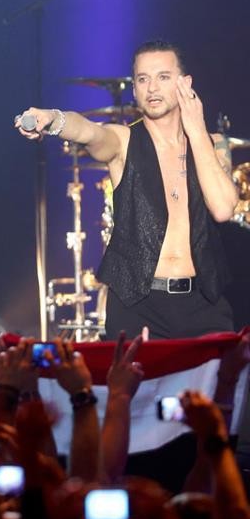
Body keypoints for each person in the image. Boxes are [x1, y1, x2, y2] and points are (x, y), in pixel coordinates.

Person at [15, 39, 238, 340]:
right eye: (142, 79)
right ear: (134, 89)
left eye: (163, 77)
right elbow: (89, 131)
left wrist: (196, 130)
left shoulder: (213, 144)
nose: (152, 88)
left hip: (203, 304)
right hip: (139, 307)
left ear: (185, 84)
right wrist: (54, 119)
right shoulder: (123, 141)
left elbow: (223, 208)